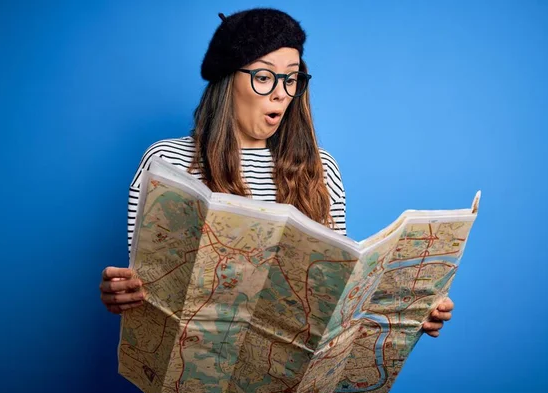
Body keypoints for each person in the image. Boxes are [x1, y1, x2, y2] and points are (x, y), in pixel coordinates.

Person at [98, 7, 453, 338]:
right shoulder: (168, 162)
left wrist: (405, 314)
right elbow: (148, 289)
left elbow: (335, 295)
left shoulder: (320, 169)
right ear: (227, 81)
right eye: (265, 77)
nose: (281, 94)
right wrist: (123, 294)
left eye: (291, 79)